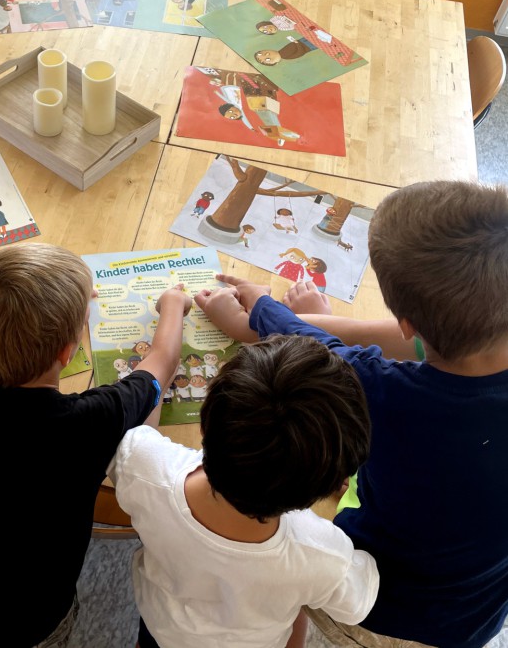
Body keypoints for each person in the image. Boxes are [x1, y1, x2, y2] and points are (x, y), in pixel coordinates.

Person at [194, 180, 508, 648]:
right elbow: (403, 336)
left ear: (409, 323)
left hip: (375, 610)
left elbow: (329, 353)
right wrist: (316, 316)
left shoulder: (384, 392)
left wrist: (261, 308)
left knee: (279, 533)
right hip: (475, 614)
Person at [0, 242, 191, 648]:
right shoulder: (89, 421)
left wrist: (51, 311)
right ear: (68, 351)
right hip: (37, 621)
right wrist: (173, 304)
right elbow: (161, 363)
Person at [107, 335, 377, 648]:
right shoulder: (321, 552)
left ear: (205, 426)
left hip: (162, 627)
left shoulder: (143, 468)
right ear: (329, 485)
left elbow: (137, 435)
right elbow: (358, 601)